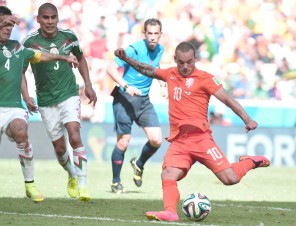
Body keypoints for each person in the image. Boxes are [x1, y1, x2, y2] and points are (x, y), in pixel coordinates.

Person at [114, 41, 270, 221]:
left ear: (195, 58)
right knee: (168, 174)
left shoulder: (206, 78)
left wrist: (247, 119)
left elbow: (227, 99)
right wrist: (127, 59)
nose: (185, 66)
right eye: (181, 62)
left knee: (230, 179)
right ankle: (170, 212)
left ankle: (250, 161)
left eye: (189, 62)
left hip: (201, 139)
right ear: (175, 60)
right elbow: (147, 70)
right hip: (179, 141)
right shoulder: (170, 74)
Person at [0, 6, 79, 202]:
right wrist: (6, 18)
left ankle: (30, 184)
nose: (9, 28)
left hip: (12, 107)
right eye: (4, 25)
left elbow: (40, 56)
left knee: (20, 131)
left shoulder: (17, 47)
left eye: (11, 25)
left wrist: (64, 56)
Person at [21, 3, 97, 201]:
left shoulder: (69, 36)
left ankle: (83, 185)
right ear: (38, 19)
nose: (50, 21)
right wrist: (26, 95)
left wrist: (88, 84)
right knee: (60, 149)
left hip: (69, 94)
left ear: (58, 18)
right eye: (45, 17)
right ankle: (72, 174)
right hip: (46, 100)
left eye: (53, 17)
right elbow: (20, 71)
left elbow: (81, 59)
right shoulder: (29, 41)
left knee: (74, 134)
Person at [106, 18, 167, 193]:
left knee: (156, 140)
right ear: (144, 34)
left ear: (160, 34)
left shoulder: (160, 49)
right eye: (150, 33)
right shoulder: (133, 49)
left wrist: (162, 84)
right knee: (124, 142)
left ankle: (139, 164)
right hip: (124, 98)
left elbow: (155, 67)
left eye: (156, 34)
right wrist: (126, 85)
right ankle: (115, 181)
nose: (153, 37)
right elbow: (110, 68)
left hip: (144, 100)